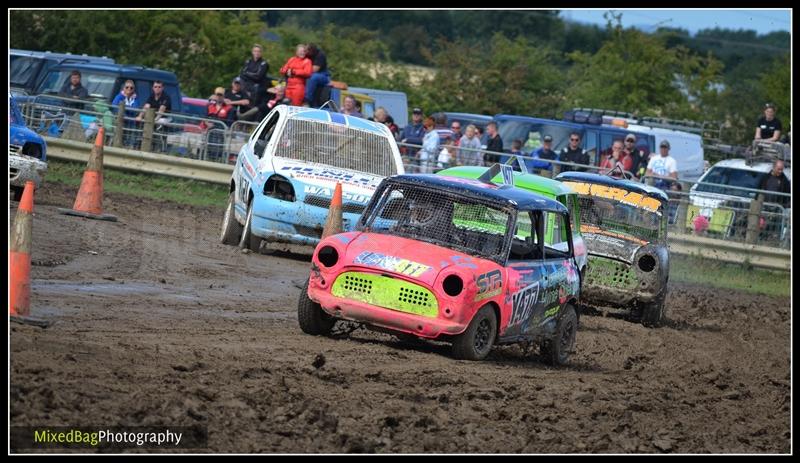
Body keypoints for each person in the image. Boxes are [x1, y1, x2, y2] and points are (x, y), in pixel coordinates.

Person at [205, 87, 235, 160]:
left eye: (220, 95)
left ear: (224, 96)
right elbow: (204, 118)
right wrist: (207, 123)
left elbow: (229, 123)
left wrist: (225, 129)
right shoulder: (209, 106)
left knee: (218, 151)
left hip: (221, 133)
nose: (219, 97)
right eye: (217, 95)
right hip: (210, 132)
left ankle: (218, 159)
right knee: (208, 149)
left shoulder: (229, 108)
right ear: (215, 96)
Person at [111, 79, 141, 147]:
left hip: (131, 123)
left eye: (131, 88)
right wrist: (123, 97)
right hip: (120, 122)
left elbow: (135, 109)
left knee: (130, 142)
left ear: (134, 89)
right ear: (123, 88)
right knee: (118, 141)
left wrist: (124, 108)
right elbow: (114, 106)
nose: (129, 89)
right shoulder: (119, 96)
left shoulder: (135, 99)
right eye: (127, 87)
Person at [239, 44, 269, 110]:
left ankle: (251, 107)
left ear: (261, 53)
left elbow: (258, 77)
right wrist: (252, 74)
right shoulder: (248, 61)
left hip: (258, 85)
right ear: (252, 52)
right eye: (255, 51)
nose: (257, 53)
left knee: (255, 88)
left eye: (259, 51)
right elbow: (242, 73)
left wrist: (247, 74)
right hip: (247, 83)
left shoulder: (264, 63)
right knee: (238, 80)